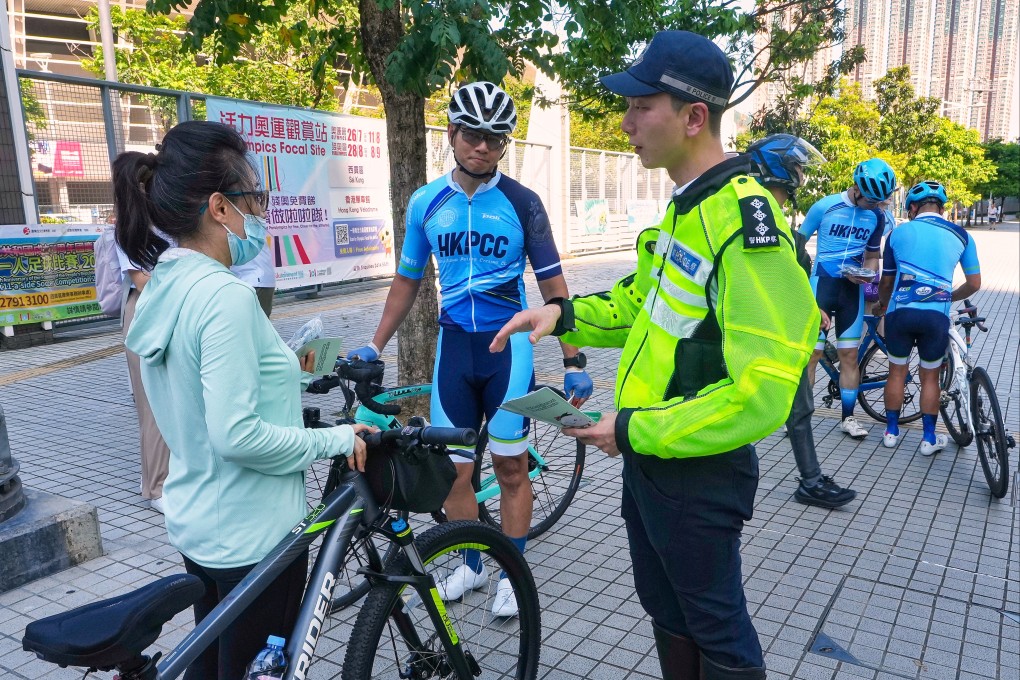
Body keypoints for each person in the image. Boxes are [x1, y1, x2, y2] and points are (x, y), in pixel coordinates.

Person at [491, 31, 819, 680]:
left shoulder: (746, 220)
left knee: (718, 628)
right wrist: (564, 312)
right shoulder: (685, 209)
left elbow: (764, 392)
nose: (626, 121)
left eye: (644, 105)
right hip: (652, 461)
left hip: (696, 470)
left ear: (694, 116)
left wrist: (637, 429)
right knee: (668, 610)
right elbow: (644, 300)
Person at [114, 120, 371, 679]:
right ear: (219, 208)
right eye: (255, 197)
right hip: (256, 537)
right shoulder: (225, 296)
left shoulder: (165, 284)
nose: (261, 210)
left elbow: (202, 389)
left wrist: (289, 376)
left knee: (214, 664)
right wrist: (337, 438)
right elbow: (237, 435)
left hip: (201, 524)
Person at [347, 81, 593, 618]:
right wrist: (374, 343)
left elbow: (556, 292)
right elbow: (407, 280)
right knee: (455, 476)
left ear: (503, 144)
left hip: (509, 353)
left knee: (509, 470)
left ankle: (513, 569)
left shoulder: (523, 204)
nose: (483, 146)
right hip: (454, 352)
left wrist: (573, 359)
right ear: (452, 134)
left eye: (495, 138)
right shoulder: (425, 202)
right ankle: (474, 563)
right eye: (473, 135)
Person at [747, 134, 857, 509]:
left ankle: (810, 480)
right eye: (796, 167)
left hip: (779, 332)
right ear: (778, 169)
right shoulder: (757, 215)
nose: (800, 174)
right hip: (759, 335)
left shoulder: (771, 215)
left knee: (799, 407)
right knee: (768, 407)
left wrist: (811, 310)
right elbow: (767, 281)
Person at [876, 180, 980, 456]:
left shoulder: (898, 234)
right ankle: (929, 439)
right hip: (936, 315)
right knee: (930, 377)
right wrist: (949, 297)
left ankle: (890, 432)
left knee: (896, 371)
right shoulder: (962, 235)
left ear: (912, 207)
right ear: (942, 208)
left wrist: (883, 306)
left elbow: (886, 283)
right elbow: (975, 283)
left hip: (900, 313)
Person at [800, 157, 896, 440]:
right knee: (811, 355)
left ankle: (848, 417)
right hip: (820, 288)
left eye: (879, 202)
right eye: (870, 200)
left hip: (851, 293)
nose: (874, 206)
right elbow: (796, 248)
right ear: (856, 187)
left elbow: (870, 256)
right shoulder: (825, 206)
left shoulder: (876, 217)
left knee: (849, 356)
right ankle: (800, 416)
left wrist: (867, 275)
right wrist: (804, 292)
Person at [117, 240, 171, 513]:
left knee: (168, 401)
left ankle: (154, 474)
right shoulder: (131, 227)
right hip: (148, 309)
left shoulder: (167, 219)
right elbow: (141, 281)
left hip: (166, 307)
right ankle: (157, 486)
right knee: (152, 403)